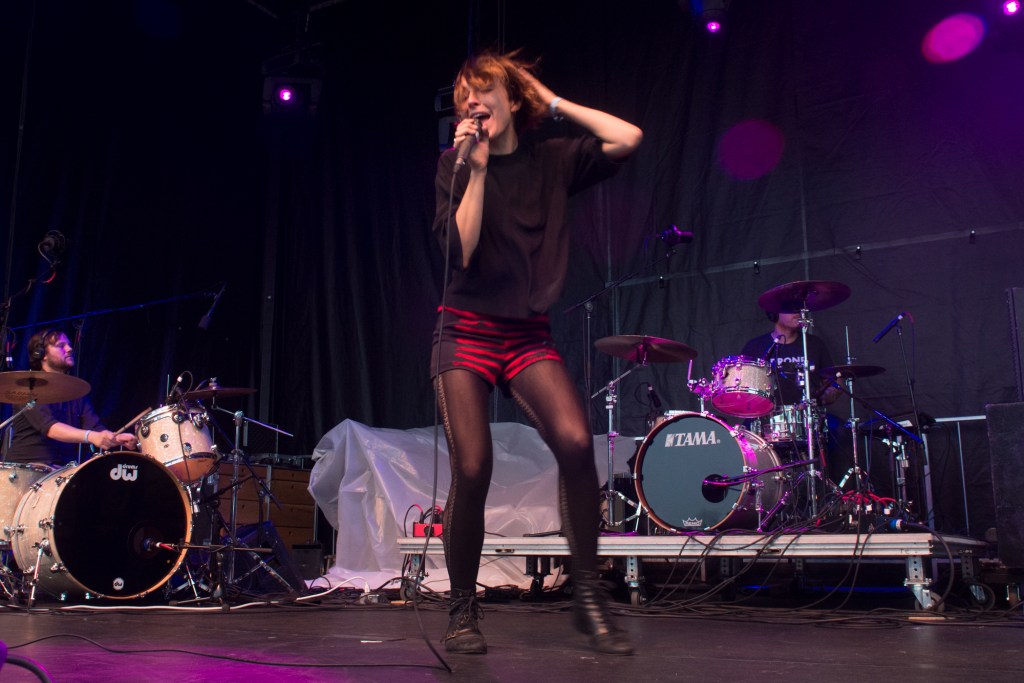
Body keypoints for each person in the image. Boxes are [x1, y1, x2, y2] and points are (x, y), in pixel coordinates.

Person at [430, 50, 642, 656]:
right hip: (464, 332)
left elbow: (628, 138)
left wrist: (551, 103)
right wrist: (468, 165)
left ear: (511, 99)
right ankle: (462, 610)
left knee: (577, 444)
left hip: (526, 336)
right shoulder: (453, 166)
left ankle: (586, 598)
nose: (471, 101)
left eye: (484, 90)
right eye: (464, 94)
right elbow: (463, 250)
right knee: (472, 465)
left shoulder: (551, 160)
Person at [1, 328, 137, 467]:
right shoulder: (28, 387)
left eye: (68, 344)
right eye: (61, 345)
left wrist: (116, 438)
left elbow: (94, 427)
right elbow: (50, 428)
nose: (69, 348)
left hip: (62, 471)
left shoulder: (76, 392)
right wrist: (90, 436)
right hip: (26, 469)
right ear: (42, 354)